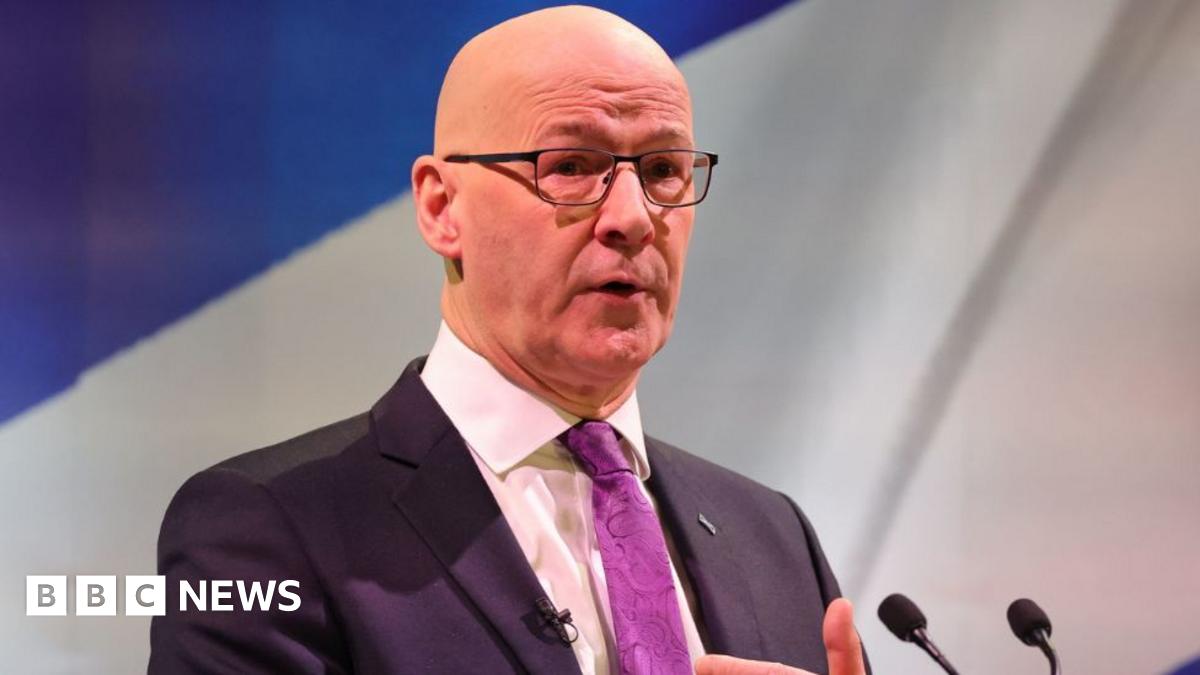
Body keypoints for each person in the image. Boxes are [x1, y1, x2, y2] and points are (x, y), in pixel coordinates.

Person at [149, 6, 867, 674]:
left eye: (661, 170)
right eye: (571, 166)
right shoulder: (265, 531)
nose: (632, 217)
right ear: (440, 206)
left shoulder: (774, 536)